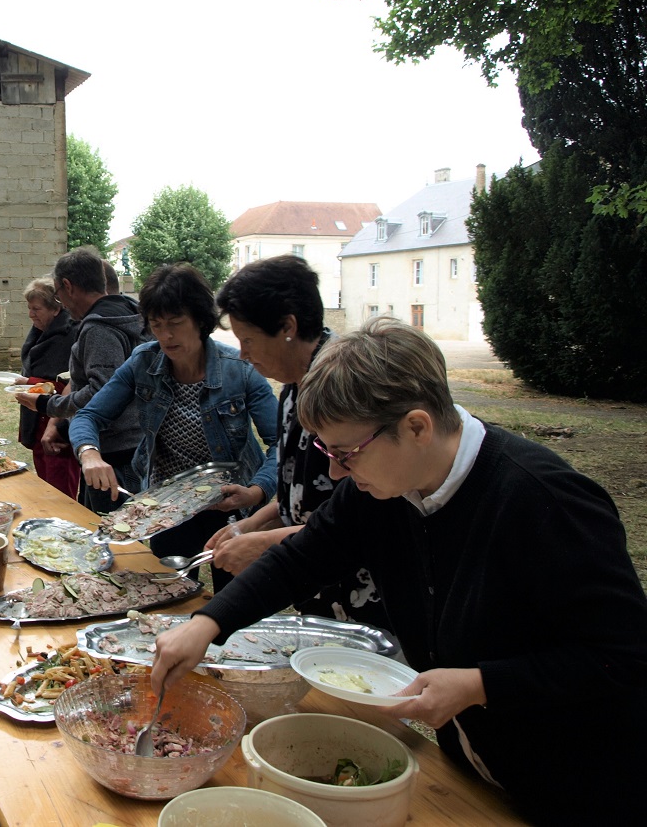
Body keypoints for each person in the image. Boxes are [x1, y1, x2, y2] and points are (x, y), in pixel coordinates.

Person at [150, 317, 647, 825]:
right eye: (327, 452)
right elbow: (302, 559)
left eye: (346, 454)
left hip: (584, 785)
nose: (337, 473)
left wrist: (481, 685)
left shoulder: (546, 502)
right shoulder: (383, 491)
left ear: (416, 427)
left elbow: (624, 655)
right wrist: (207, 625)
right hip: (479, 772)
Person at [69, 263, 279, 591]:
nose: (165, 335)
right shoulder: (144, 362)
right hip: (166, 506)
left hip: (231, 505)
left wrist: (257, 491)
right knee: (167, 592)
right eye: (156, 324)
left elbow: (281, 442)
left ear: (200, 320)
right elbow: (88, 415)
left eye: (176, 323)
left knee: (234, 597)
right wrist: (89, 453)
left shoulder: (240, 371)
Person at [205, 255, 388, 628]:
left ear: (288, 326)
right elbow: (302, 491)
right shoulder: (293, 385)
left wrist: (266, 544)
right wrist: (252, 523)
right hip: (312, 585)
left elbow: (368, 520)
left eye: (248, 340)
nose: (243, 354)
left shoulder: (347, 386)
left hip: (360, 598)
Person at [16, 247, 149, 514]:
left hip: (111, 454)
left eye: (58, 293)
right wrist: (62, 425)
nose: (61, 302)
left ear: (68, 286)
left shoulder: (100, 328)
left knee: (111, 535)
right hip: (135, 445)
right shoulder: (131, 313)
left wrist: (46, 404)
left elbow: (101, 394)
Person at [11, 276, 80, 498]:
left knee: (60, 494)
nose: (31, 314)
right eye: (29, 308)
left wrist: (29, 384)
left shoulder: (70, 336)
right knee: (44, 488)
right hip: (37, 421)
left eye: (36, 309)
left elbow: (72, 384)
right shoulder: (40, 332)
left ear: (56, 309)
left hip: (58, 425)